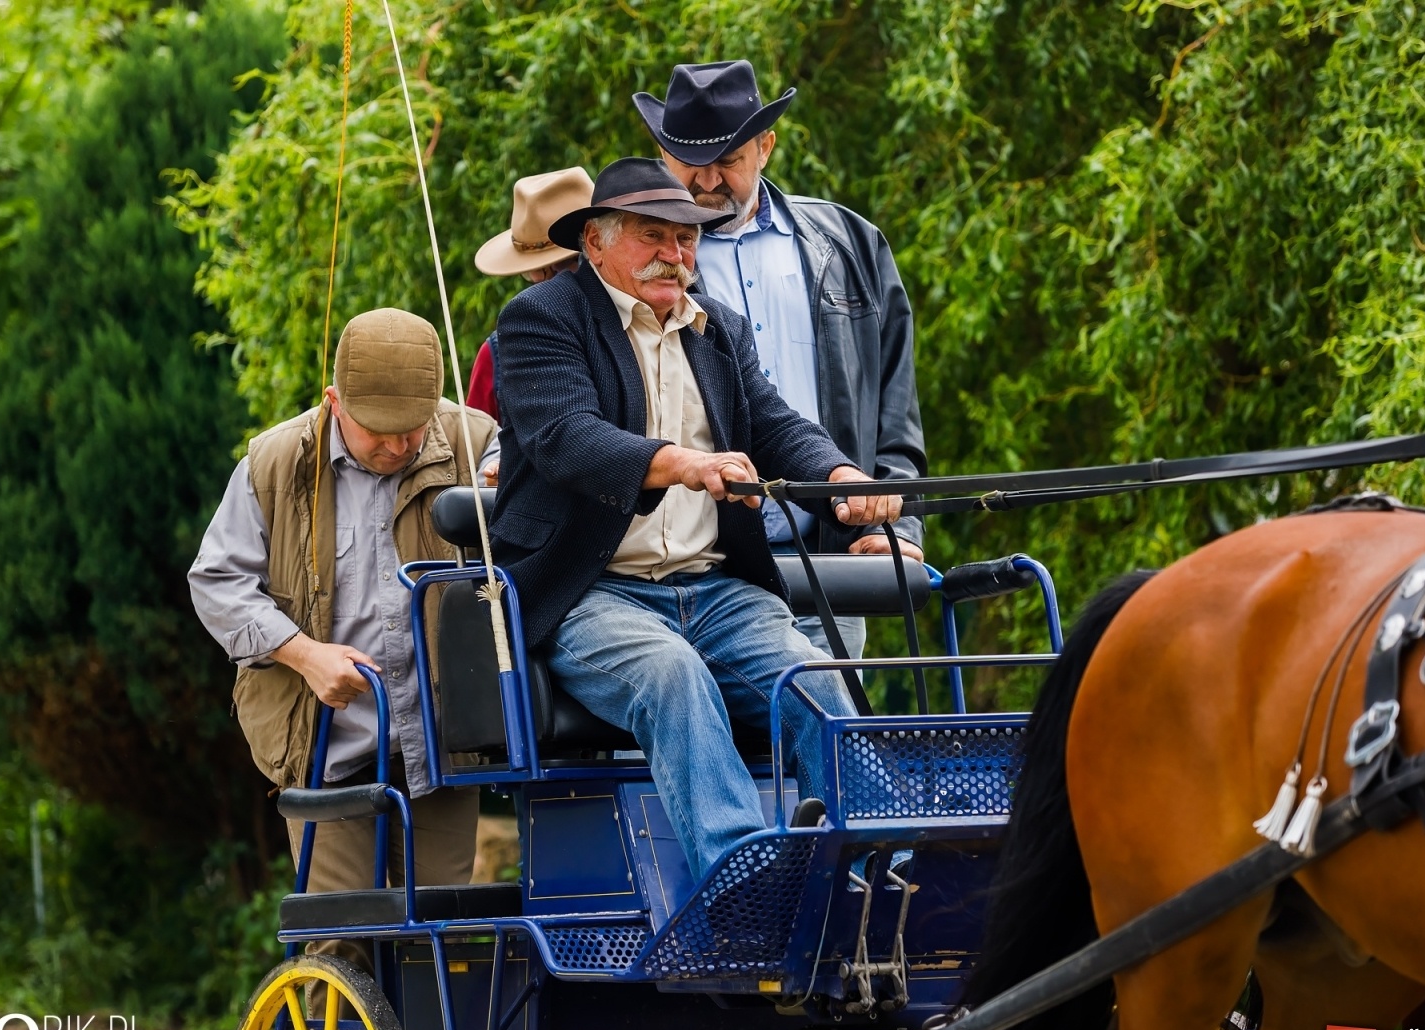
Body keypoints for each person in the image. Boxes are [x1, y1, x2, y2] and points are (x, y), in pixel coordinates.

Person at [489, 158, 903, 879]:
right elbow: (567, 437)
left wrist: (840, 475)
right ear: (594, 242)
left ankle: (877, 875)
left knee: (816, 680)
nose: (676, 257)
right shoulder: (541, 320)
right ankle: (746, 880)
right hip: (594, 593)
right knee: (671, 677)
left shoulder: (718, 330)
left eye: (687, 241)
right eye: (654, 236)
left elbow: (776, 426)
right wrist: (682, 463)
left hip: (716, 592)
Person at [189, 307, 499, 980]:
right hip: (328, 744)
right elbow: (216, 584)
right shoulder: (275, 462)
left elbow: (528, 550)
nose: (396, 445)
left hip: (441, 745)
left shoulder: (477, 443)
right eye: (377, 432)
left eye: (412, 430)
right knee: (339, 948)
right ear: (334, 402)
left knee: (441, 948)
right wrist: (303, 654)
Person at [634, 60, 926, 658]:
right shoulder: (638, 261)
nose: (709, 181)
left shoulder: (850, 244)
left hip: (830, 559)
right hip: (694, 573)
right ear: (662, 156)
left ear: (766, 147)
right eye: (692, 163)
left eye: (730, 161)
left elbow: (892, 409)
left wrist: (895, 521)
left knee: (828, 735)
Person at [467, 166, 594, 424]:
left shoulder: (652, 323)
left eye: (574, 264)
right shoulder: (495, 353)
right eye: (534, 272)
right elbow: (478, 441)